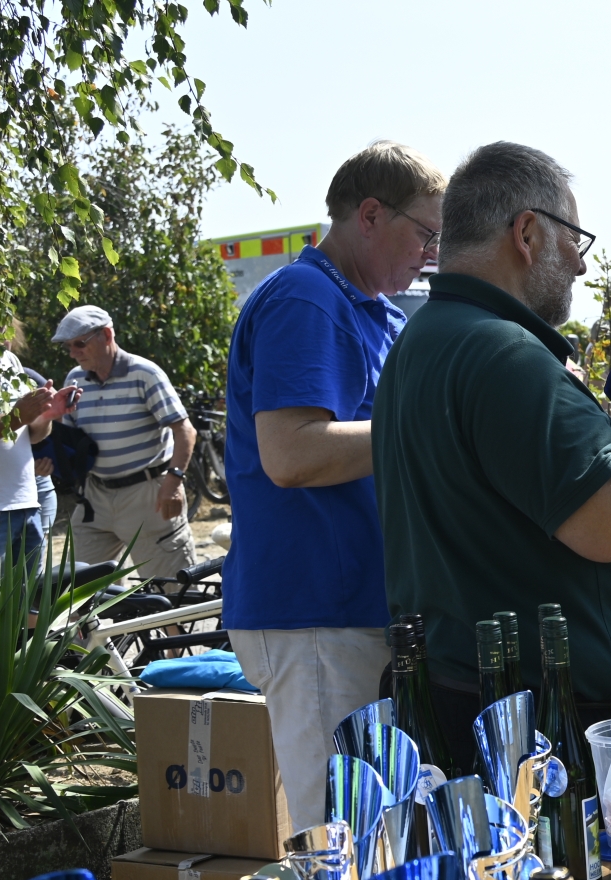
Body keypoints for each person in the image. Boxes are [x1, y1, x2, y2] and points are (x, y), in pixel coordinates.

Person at [372, 139, 611, 756]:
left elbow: (506, 507)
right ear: (527, 232)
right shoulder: (503, 354)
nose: (580, 266)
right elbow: (610, 522)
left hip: (481, 704)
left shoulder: (426, 341)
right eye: (574, 241)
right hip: (547, 732)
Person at [224, 140, 447, 833]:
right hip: (315, 612)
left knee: (372, 837)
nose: (431, 255)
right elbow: (290, 454)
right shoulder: (307, 298)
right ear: (371, 215)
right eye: (426, 234)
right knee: (340, 841)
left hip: (347, 611)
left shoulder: (371, 310)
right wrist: (423, 429)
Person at [53, 305, 199, 580]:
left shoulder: (144, 373)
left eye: (79, 344)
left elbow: (185, 431)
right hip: (95, 496)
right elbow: (68, 439)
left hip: (146, 494)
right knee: (77, 589)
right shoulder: (75, 378)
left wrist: (173, 482)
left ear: (106, 335)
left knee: (170, 588)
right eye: (67, 347)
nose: (73, 352)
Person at [0, 353, 66, 587]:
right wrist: (15, 417)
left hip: (26, 506)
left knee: (29, 602)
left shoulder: (9, 360)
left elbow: (30, 436)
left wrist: (45, 417)